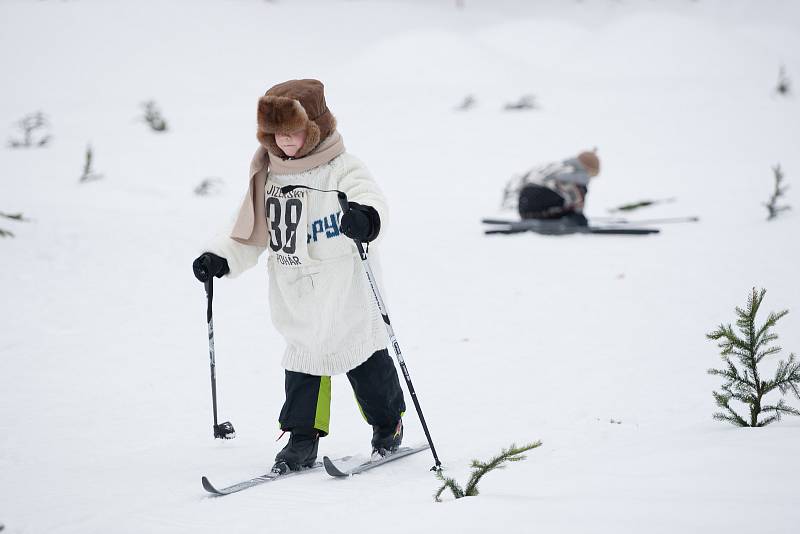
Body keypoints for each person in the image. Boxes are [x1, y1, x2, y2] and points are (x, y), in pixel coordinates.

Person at [192, 79, 406, 474]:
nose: (285, 143)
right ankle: (302, 438)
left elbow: (371, 198)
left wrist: (365, 218)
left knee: (363, 361)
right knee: (304, 363)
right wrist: (219, 257)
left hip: (346, 288)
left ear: (316, 129)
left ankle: (387, 422)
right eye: (277, 134)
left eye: (293, 133)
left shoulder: (342, 166)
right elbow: (248, 230)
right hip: (295, 290)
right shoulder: (268, 175)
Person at [501, 151, 600, 226]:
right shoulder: (577, 175)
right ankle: (566, 218)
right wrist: (578, 216)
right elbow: (576, 195)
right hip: (542, 207)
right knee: (580, 190)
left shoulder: (558, 166)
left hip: (525, 208)